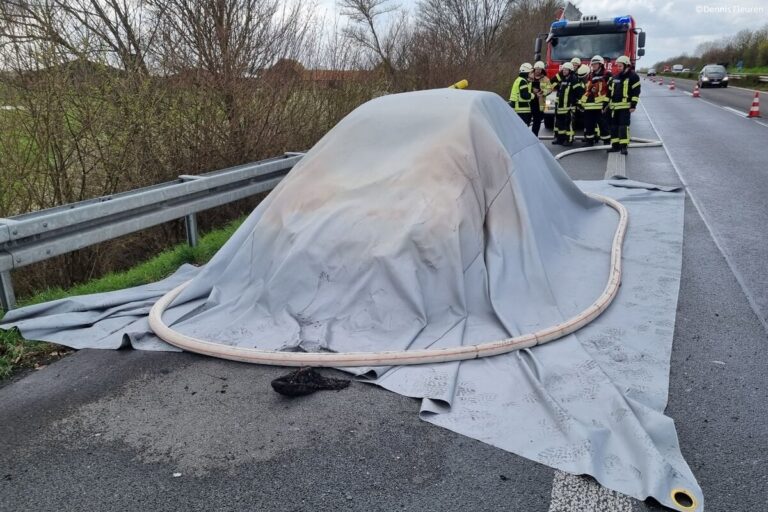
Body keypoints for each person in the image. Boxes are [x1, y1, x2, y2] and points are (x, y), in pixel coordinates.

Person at [607, 55, 641, 154]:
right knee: (613, 127)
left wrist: (633, 105)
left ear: (626, 66)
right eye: (617, 66)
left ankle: (623, 147)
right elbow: (609, 92)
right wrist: (606, 104)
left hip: (625, 107)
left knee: (623, 127)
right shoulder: (615, 77)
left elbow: (636, 92)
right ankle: (615, 146)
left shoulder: (633, 77)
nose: (618, 68)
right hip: (614, 107)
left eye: (620, 66)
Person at [580, 55, 611, 146]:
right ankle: (589, 141)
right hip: (590, 104)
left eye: (595, 64)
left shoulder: (607, 75)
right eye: (592, 64)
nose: (593, 65)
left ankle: (606, 141)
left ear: (600, 64)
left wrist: (606, 103)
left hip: (601, 105)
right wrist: (582, 102)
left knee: (603, 124)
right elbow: (587, 90)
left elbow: (610, 89)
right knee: (589, 124)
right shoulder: (591, 75)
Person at [552, 62, 576, 145]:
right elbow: (552, 81)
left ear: (570, 70)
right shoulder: (563, 79)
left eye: (566, 70)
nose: (564, 71)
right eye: (563, 70)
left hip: (569, 106)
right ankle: (560, 139)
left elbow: (576, 92)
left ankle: (569, 140)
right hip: (561, 106)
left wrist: (574, 103)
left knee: (568, 124)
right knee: (560, 124)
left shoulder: (573, 79)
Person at [529, 61, 552, 137]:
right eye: (537, 69)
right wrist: (532, 90)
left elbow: (549, 89)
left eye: (540, 69)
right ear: (534, 69)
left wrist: (541, 92)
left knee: (537, 121)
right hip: (529, 102)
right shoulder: (529, 77)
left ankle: (534, 136)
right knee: (527, 120)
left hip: (540, 102)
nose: (538, 71)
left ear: (542, 70)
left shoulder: (546, 79)